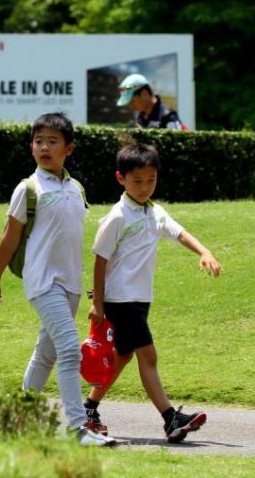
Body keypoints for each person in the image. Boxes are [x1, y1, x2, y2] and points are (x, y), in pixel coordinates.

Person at [0, 112, 117, 447]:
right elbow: (8, 238)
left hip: (70, 285)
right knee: (70, 351)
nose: (44, 147)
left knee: (46, 355)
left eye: (52, 141)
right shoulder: (27, 189)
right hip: (42, 283)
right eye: (38, 141)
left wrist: (93, 291)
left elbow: (72, 239)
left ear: (69, 148)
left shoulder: (76, 189)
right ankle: (77, 428)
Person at [84, 144, 220, 442]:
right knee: (149, 355)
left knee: (122, 356)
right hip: (120, 299)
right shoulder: (118, 216)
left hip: (140, 299)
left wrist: (204, 251)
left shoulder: (155, 211)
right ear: (121, 179)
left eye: (151, 180)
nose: (145, 187)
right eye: (138, 181)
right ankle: (171, 419)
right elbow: (100, 258)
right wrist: (98, 303)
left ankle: (89, 408)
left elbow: (178, 232)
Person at [117, 74, 186, 130]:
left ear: (145, 94)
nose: (131, 106)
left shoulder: (167, 115)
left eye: (132, 101)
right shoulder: (140, 117)